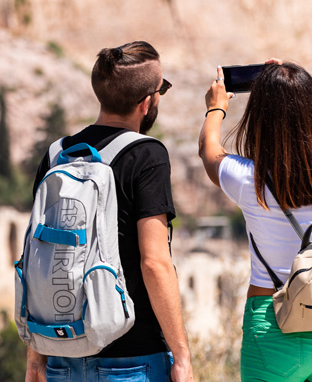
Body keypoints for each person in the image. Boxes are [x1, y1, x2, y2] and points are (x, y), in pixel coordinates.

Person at [26, 41, 194, 382]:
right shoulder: (146, 155)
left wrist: (35, 362)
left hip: (61, 355)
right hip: (133, 357)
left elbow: (40, 260)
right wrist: (181, 356)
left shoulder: (58, 154)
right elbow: (154, 262)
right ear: (147, 103)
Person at [198, 60, 312, 381]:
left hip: (272, 328)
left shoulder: (251, 180)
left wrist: (215, 109)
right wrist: (301, 103)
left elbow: (209, 152)